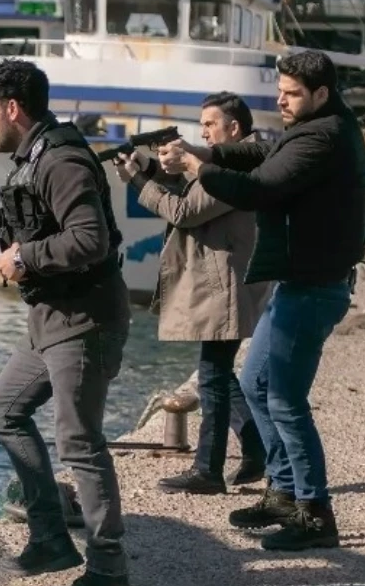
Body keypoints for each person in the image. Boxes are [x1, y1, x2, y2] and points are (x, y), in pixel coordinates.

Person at [158, 50, 365, 551]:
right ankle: (282, 492)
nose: (281, 99)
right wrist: (206, 153)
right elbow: (262, 153)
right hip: (298, 282)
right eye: (281, 90)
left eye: (292, 93)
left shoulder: (326, 135)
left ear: (320, 94)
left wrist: (195, 166)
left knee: (286, 400)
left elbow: (260, 187)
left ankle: (315, 515)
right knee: (254, 381)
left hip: (314, 286)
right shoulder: (316, 126)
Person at [0, 58, 136, 586]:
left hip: (85, 321)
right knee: (4, 409)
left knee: (80, 441)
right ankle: (49, 540)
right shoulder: (33, 157)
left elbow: (90, 240)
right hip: (51, 319)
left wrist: (25, 255)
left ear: (12, 109)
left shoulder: (61, 161)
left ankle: (109, 573)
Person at [111, 92, 271, 494]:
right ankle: (255, 449)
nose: (202, 134)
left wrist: (137, 181)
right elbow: (191, 179)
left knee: (213, 376)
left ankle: (208, 471)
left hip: (225, 282)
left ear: (233, 128)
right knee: (217, 373)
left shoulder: (239, 166)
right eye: (200, 126)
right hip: (226, 279)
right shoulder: (234, 158)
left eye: (209, 126)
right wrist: (150, 165)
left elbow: (185, 210)